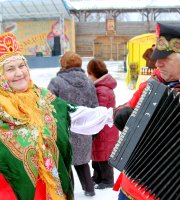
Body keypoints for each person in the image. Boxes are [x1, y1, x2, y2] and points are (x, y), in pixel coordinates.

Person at [0, 32, 114, 200]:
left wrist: (113, 114)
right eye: (10, 69)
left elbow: (73, 113)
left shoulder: (43, 97)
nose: (19, 73)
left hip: (52, 191)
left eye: (21, 65)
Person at [113, 22, 180, 200]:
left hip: (172, 192)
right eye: (157, 56)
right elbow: (128, 106)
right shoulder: (153, 84)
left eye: (166, 57)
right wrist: (122, 114)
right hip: (131, 185)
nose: (157, 63)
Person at [48, 51, 98, 197]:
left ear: (63, 64)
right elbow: (94, 106)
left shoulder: (56, 82)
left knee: (65, 162)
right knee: (82, 162)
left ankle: (69, 193)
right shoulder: (89, 82)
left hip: (64, 129)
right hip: (84, 129)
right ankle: (89, 189)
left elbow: (48, 105)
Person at [87, 59, 119, 189]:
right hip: (101, 127)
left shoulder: (102, 90)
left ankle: (107, 180)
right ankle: (97, 176)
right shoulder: (100, 87)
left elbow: (99, 110)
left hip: (104, 127)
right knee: (97, 153)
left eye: (88, 74)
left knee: (104, 155)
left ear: (93, 73)